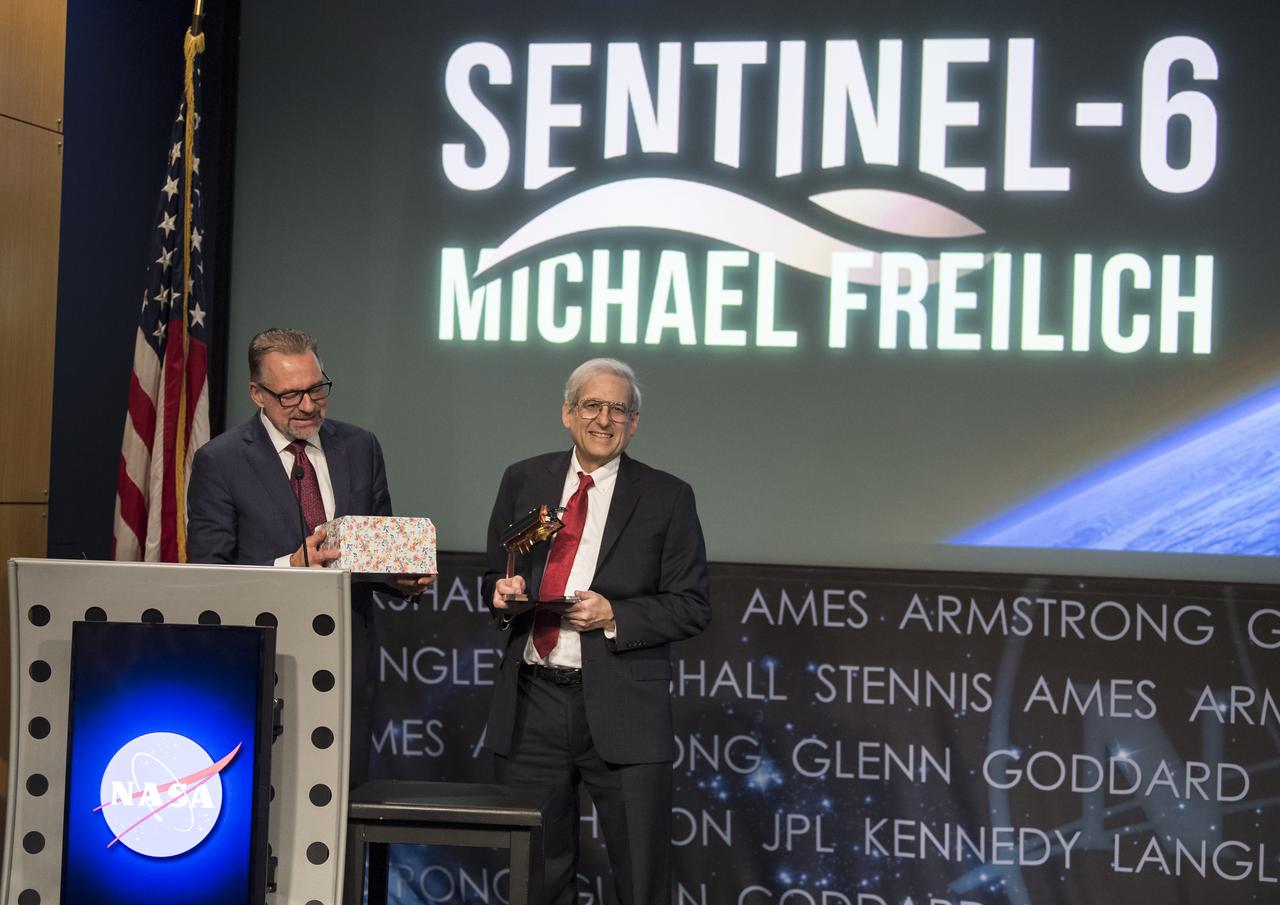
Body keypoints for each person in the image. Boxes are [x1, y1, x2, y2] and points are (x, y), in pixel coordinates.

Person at [483, 358, 712, 905]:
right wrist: (499, 593)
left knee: (640, 879)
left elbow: (693, 605)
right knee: (537, 876)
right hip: (533, 705)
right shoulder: (523, 479)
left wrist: (616, 616)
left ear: (634, 423)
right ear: (567, 413)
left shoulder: (668, 496)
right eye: (591, 405)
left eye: (618, 409)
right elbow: (494, 574)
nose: (604, 419)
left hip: (624, 709)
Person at [187, 327, 431, 782]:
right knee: (266, 789)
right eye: (290, 395)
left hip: (347, 659)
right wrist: (289, 567)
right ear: (257, 394)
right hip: (262, 659)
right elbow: (207, 574)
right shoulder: (221, 461)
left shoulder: (360, 447)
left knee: (343, 788)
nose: (308, 405)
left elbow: (376, 543)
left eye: (317, 389)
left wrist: (399, 578)